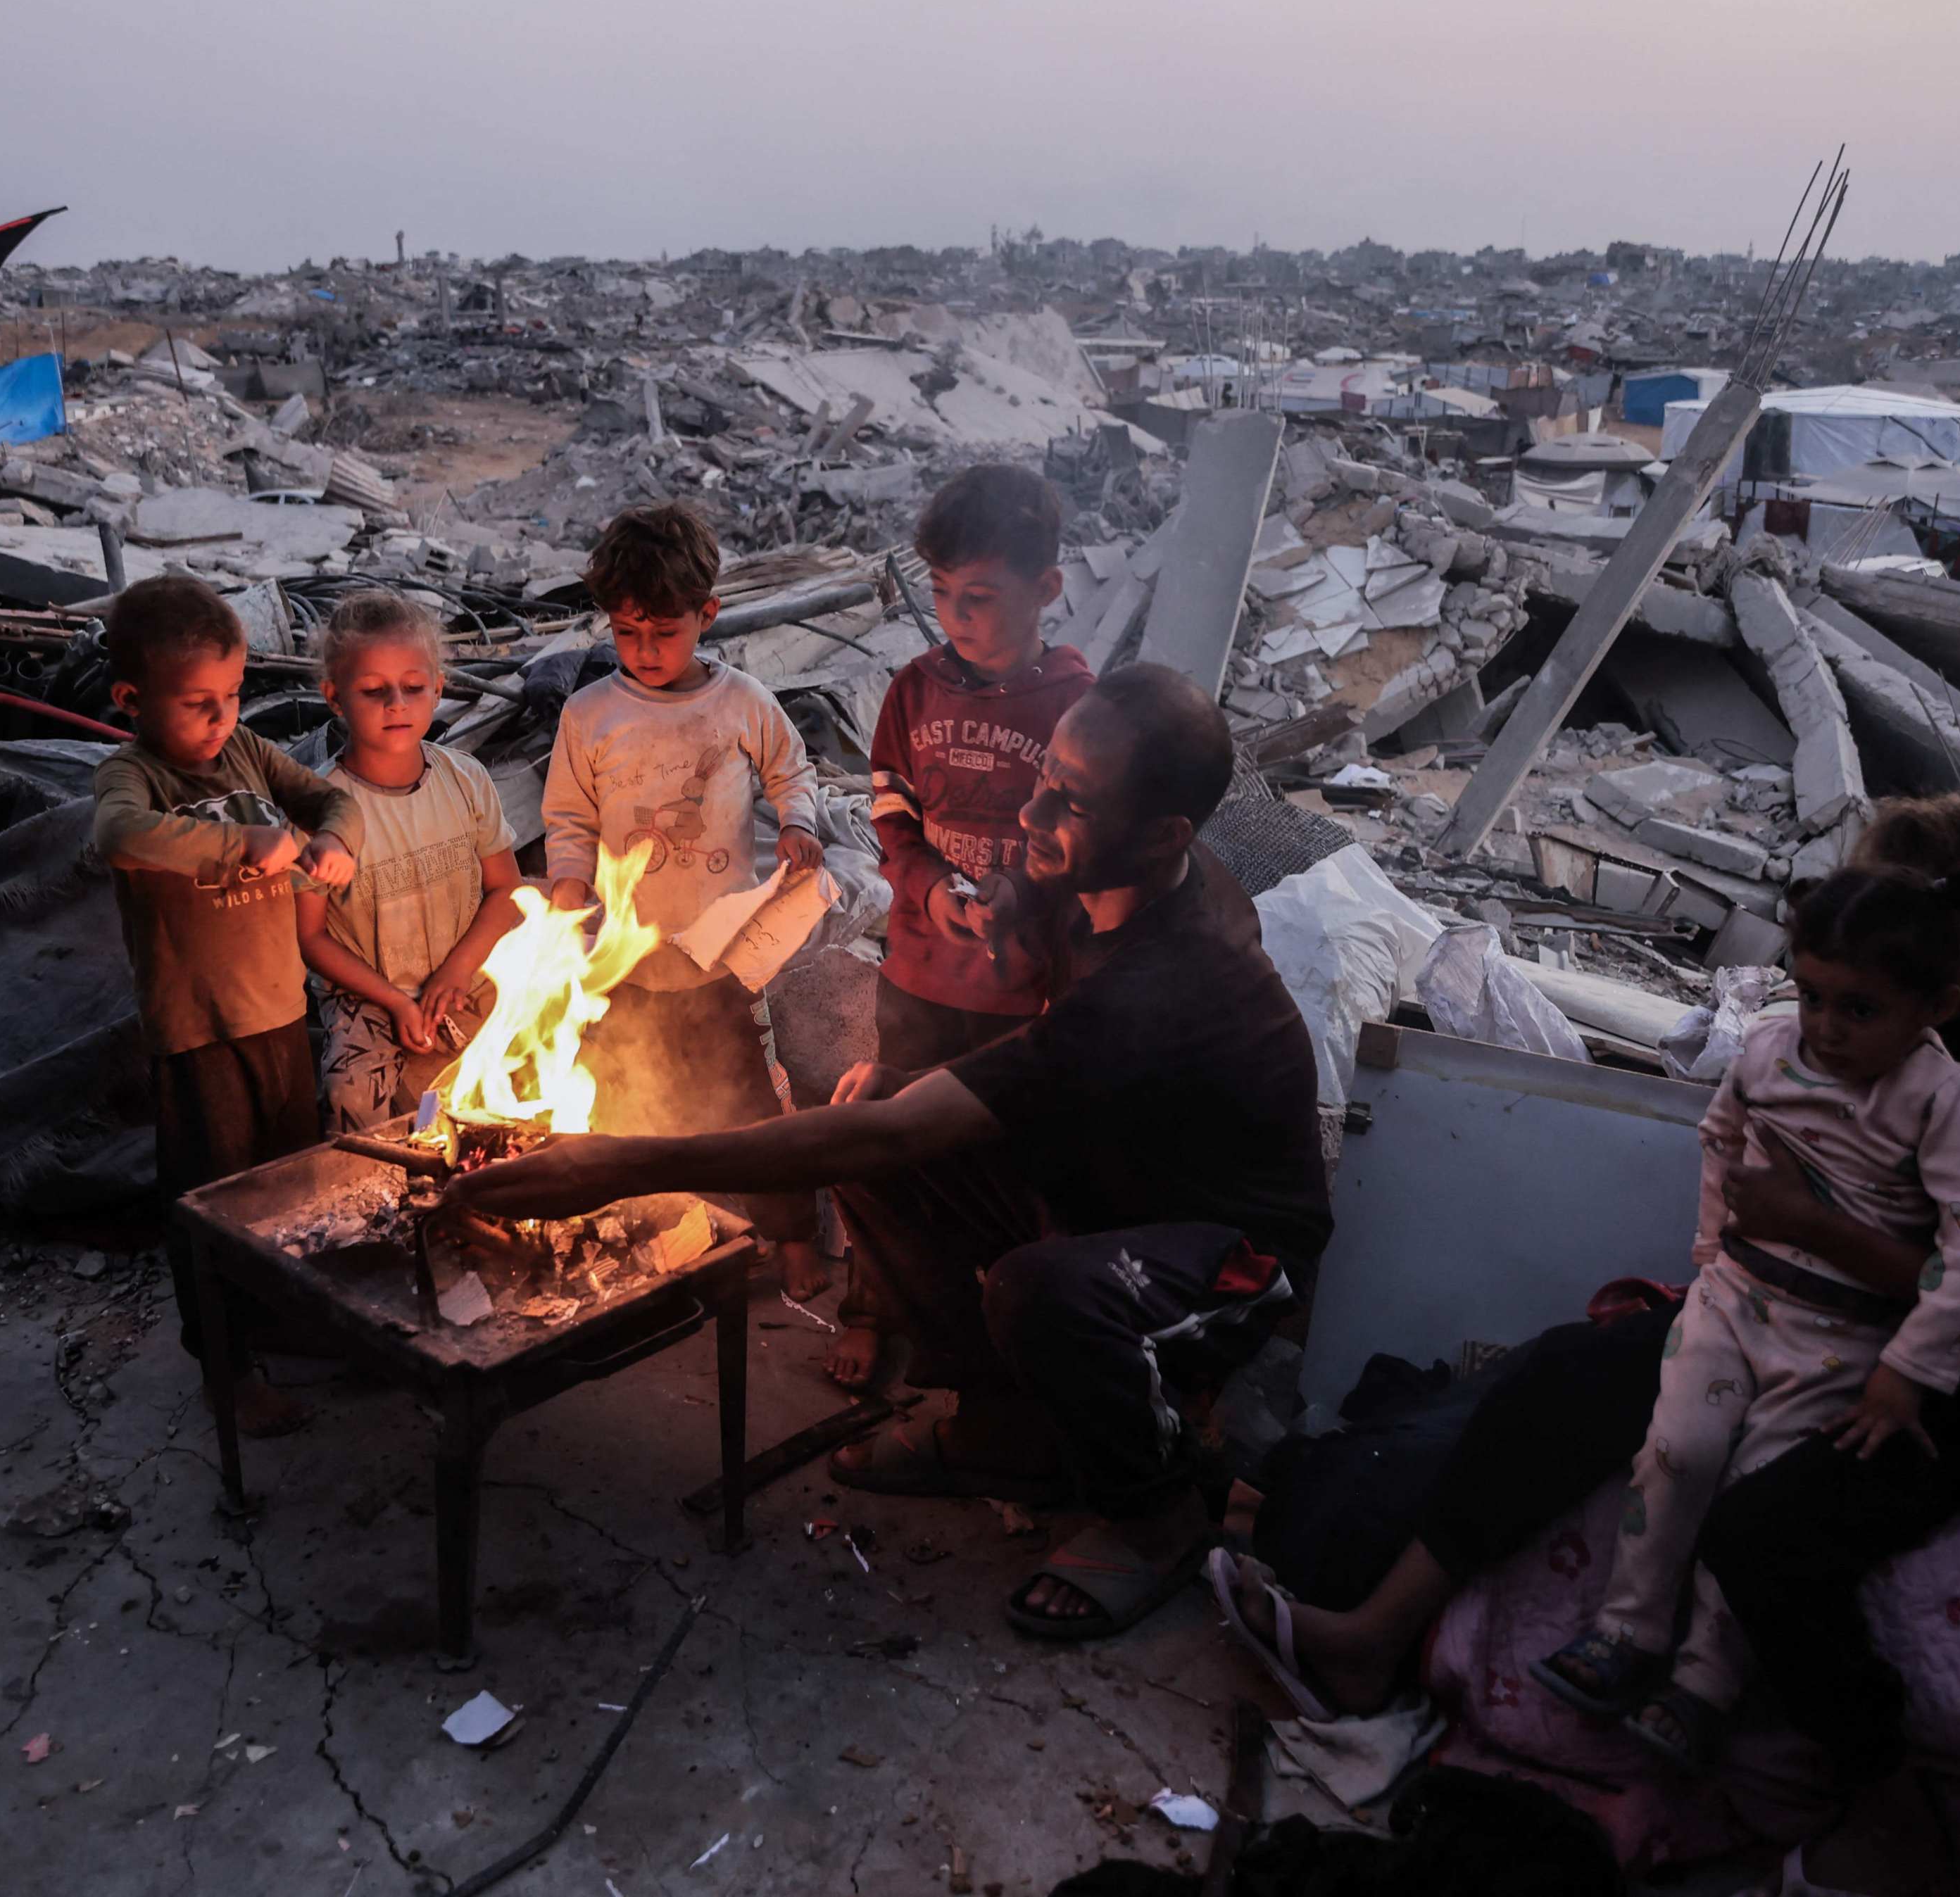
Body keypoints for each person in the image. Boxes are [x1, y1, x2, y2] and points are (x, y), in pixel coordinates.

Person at [1217, 795, 1960, 1897]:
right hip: (1805, 1309)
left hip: (1942, 1375)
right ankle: (1369, 1635)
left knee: (1764, 1533)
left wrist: (1808, 1227)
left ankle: (1892, 1818)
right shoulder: (1892, 1035)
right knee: (1567, 1372)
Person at [444, 664, 1331, 1641]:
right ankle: (1000, 1429)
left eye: (1070, 802)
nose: (1032, 813)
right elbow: (978, 1045)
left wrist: (616, 1163)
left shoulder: (1171, 975)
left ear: (1165, 834)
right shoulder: (1102, 880)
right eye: (1044, 778)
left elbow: (1011, 1080)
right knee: (871, 1107)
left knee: (1028, 1274)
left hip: (1231, 1254)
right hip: (1109, 1176)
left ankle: (1157, 1513)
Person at [1530, 866, 1960, 1772]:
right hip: (1733, 1301)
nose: (1827, 1026)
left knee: (1755, 1497)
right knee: (1679, 1454)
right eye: (1814, 994)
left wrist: (1908, 1370)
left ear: (1934, 1007)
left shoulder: (1944, 1101)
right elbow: (1721, 1137)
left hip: (1841, 1341)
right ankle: (1625, 1632)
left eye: (1860, 1010)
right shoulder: (1769, 1051)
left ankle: (1705, 1681)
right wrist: (1710, 1255)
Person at [832, 464, 1094, 1386]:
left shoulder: (1073, 705)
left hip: (1020, 991)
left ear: (1046, 591)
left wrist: (1014, 893)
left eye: (979, 598)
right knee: (884, 1143)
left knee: (1005, 1166)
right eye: (942, 595)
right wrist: (931, 886)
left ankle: (990, 1330)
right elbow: (891, 816)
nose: (956, 617)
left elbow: (1077, 840)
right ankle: (873, 1307)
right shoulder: (912, 692)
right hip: (916, 973)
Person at [90, 575, 358, 1437]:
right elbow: (121, 839)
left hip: (281, 1015)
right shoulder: (131, 777)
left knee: (290, 1188)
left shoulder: (246, 752)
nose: (221, 718)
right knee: (213, 1201)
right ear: (133, 699)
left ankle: (288, 1317)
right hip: (200, 1036)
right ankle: (226, 1366)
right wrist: (242, 841)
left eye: (234, 695)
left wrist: (332, 841)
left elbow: (328, 797)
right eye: (198, 703)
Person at [541, 499, 828, 1297]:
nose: (645, 650)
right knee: (621, 1105)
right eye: (626, 633)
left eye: (663, 631)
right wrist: (568, 886)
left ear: (708, 614)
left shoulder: (740, 703)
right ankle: (631, 1246)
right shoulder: (589, 715)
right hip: (622, 962)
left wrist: (799, 824)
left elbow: (792, 771)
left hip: (718, 961)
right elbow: (566, 818)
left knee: (749, 1108)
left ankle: (793, 1239)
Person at [296, 590, 524, 1135]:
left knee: (545, 1038)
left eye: (414, 687)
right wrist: (394, 1000)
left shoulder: (465, 780)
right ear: (335, 698)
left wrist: (458, 969)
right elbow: (310, 938)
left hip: (465, 972)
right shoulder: (319, 807)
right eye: (373, 690)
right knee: (348, 1093)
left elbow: (505, 892)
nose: (396, 702)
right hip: (368, 995)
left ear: (438, 689)